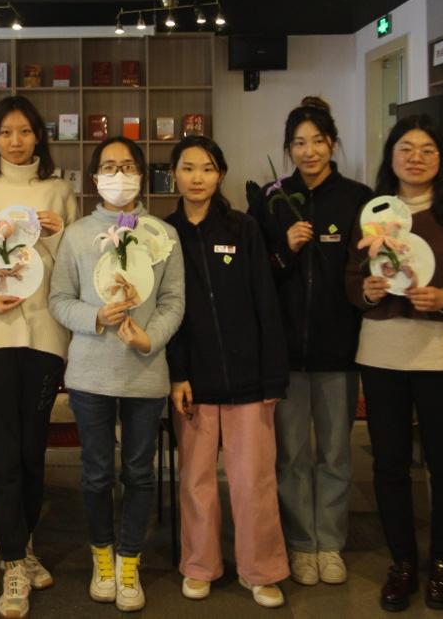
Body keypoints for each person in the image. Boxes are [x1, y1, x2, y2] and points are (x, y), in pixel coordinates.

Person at [344, 115, 443, 612]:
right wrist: (367, 289)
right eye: (406, 148)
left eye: (427, 149)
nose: (416, 158)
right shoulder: (373, 214)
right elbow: (352, 277)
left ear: (441, 159)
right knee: (390, 463)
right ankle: (402, 562)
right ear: (392, 157)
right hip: (383, 351)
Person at [0, 96, 77, 619]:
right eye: (5, 132)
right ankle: (12, 562)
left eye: (25, 131)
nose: (16, 141)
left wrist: (60, 234)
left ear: (39, 136)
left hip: (43, 335)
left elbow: (75, 266)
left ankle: (22, 546)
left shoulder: (59, 190)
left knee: (30, 451)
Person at [49, 137, 185, 612]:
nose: (119, 175)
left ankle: (130, 558)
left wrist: (150, 338)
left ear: (142, 175)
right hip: (90, 374)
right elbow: (59, 299)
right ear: (94, 178)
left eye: (127, 166)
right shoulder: (77, 235)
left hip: (145, 373)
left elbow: (173, 301)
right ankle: (102, 556)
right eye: (109, 167)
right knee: (96, 473)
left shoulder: (162, 234)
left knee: (140, 472)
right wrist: (94, 316)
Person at [247, 96, 371, 587]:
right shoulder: (272, 200)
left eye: (318, 141)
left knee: (336, 454)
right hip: (288, 354)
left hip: (339, 349)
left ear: (332, 143)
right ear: (288, 148)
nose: (309, 151)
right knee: (293, 455)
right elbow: (259, 274)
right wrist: (286, 248)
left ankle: (331, 542)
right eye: (299, 143)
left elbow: (366, 270)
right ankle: (301, 543)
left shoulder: (357, 198)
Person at [167, 135, 291, 609]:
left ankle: (261, 570)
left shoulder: (244, 228)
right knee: (196, 480)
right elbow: (167, 313)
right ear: (174, 175)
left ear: (220, 174)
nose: (197, 178)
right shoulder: (164, 234)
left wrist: (273, 375)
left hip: (248, 379)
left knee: (253, 480)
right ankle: (200, 565)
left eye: (207, 168)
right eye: (187, 168)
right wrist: (177, 373)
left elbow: (266, 302)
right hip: (192, 382)